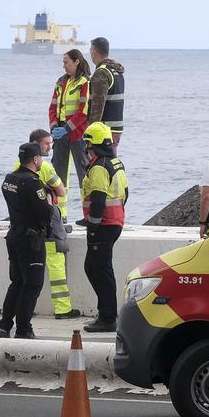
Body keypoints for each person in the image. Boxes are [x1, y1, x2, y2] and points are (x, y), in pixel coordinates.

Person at [17, 129, 80, 320]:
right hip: (49, 224)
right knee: (56, 266)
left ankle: (26, 310)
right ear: (36, 146)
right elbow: (61, 192)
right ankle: (62, 309)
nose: (50, 147)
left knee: (26, 271)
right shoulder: (45, 167)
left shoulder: (17, 167)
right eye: (46, 144)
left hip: (26, 226)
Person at [0, 142, 52, 339]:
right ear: (36, 159)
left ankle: (4, 326)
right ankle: (23, 329)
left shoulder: (9, 179)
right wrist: (49, 202)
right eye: (41, 158)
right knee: (32, 285)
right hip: (31, 240)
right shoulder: (33, 183)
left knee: (17, 282)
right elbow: (44, 213)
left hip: (14, 235)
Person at [80, 122, 128, 333]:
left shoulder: (99, 166)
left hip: (103, 225)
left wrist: (93, 226)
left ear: (94, 144)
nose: (86, 148)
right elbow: (125, 194)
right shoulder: (115, 162)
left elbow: (98, 199)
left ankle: (108, 317)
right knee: (95, 267)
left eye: (88, 143)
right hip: (114, 222)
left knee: (99, 270)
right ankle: (106, 314)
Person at [48, 49, 92, 197]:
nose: (64, 66)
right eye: (63, 62)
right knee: (58, 174)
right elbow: (53, 107)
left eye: (66, 62)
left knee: (84, 174)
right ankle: (60, 214)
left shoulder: (84, 82)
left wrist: (67, 128)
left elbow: (83, 112)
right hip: (60, 133)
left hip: (78, 134)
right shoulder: (61, 82)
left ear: (76, 62)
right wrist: (54, 126)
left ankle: (89, 215)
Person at [88, 37, 126, 147]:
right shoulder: (116, 71)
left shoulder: (101, 73)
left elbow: (97, 106)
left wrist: (91, 131)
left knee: (100, 162)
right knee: (110, 161)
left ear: (94, 51)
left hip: (103, 131)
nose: (90, 53)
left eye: (90, 50)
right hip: (116, 127)